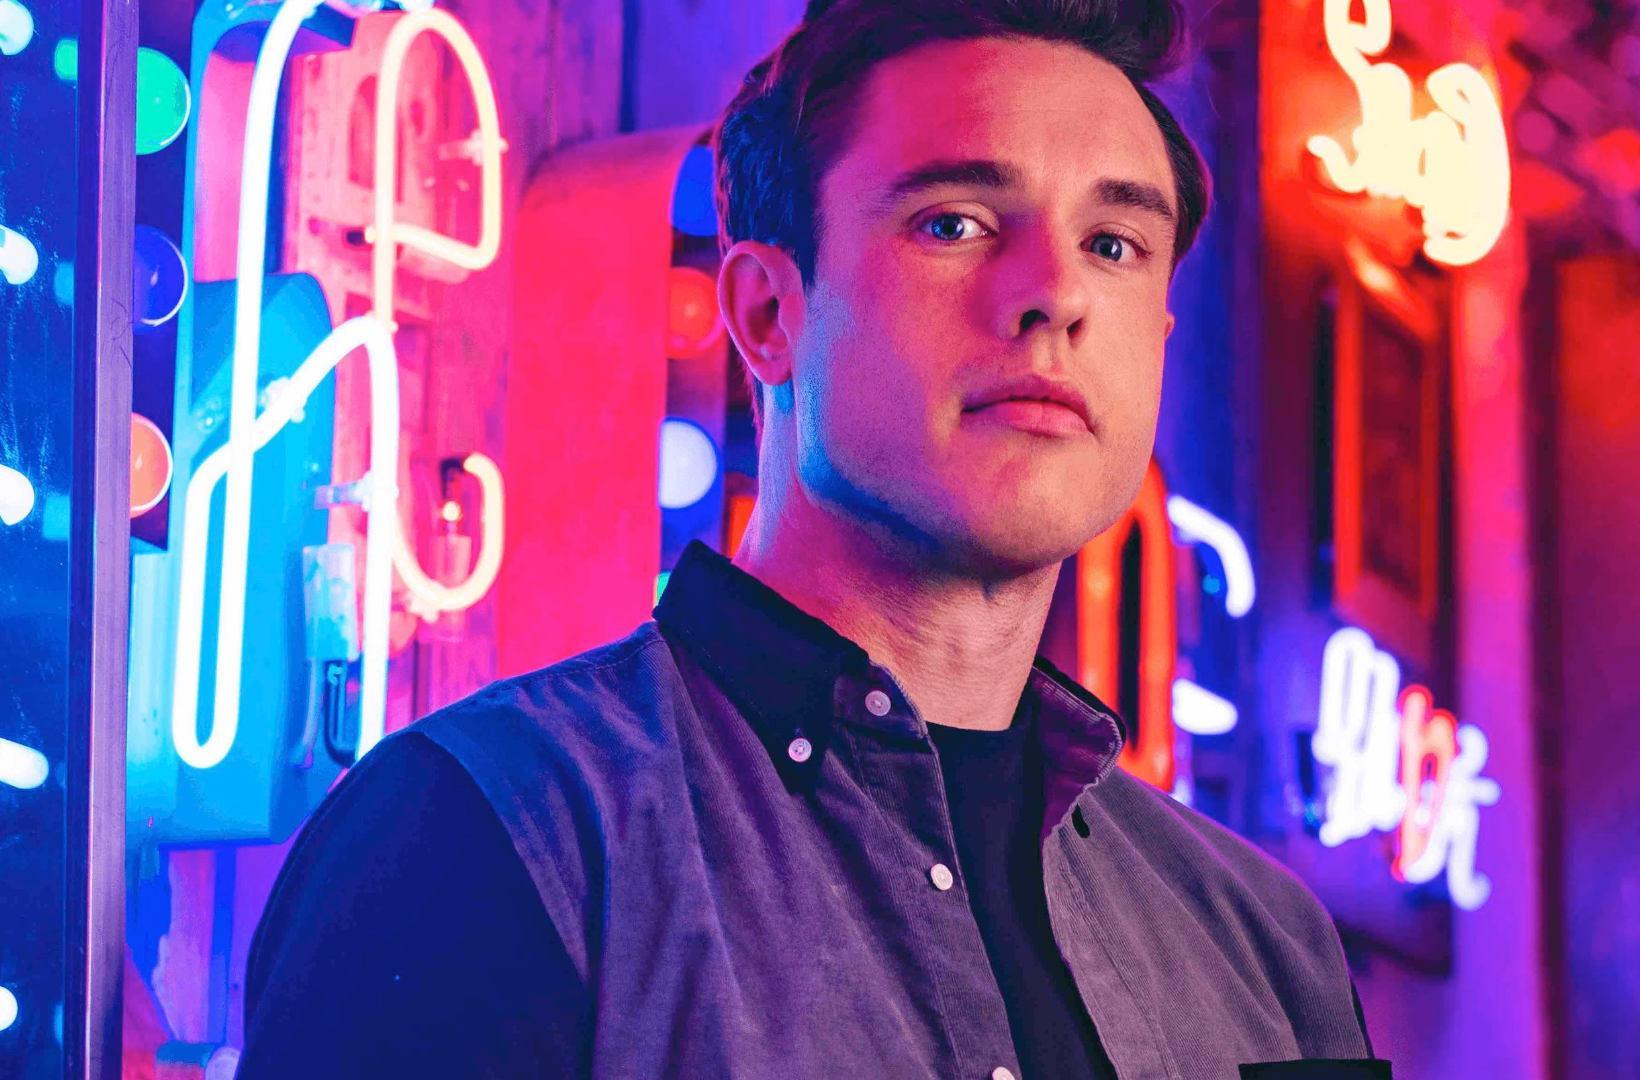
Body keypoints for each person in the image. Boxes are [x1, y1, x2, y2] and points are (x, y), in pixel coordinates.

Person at [240, 1, 1387, 1076]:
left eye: (1114, 243)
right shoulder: (478, 836)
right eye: (954, 223)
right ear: (766, 313)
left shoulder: (1266, 949)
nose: (1054, 293)